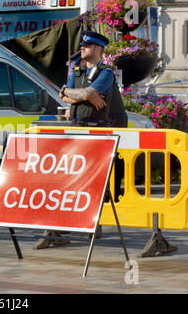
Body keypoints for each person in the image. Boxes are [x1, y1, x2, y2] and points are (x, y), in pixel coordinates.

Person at [34, 31, 126, 250]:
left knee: (94, 181)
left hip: (99, 132)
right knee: (68, 178)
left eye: (87, 46)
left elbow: (83, 93)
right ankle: (58, 228)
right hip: (77, 130)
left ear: (98, 49)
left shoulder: (106, 74)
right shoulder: (78, 70)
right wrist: (79, 94)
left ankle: (94, 223)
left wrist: (84, 94)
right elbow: (63, 95)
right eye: (83, 46)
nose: (82, 49)